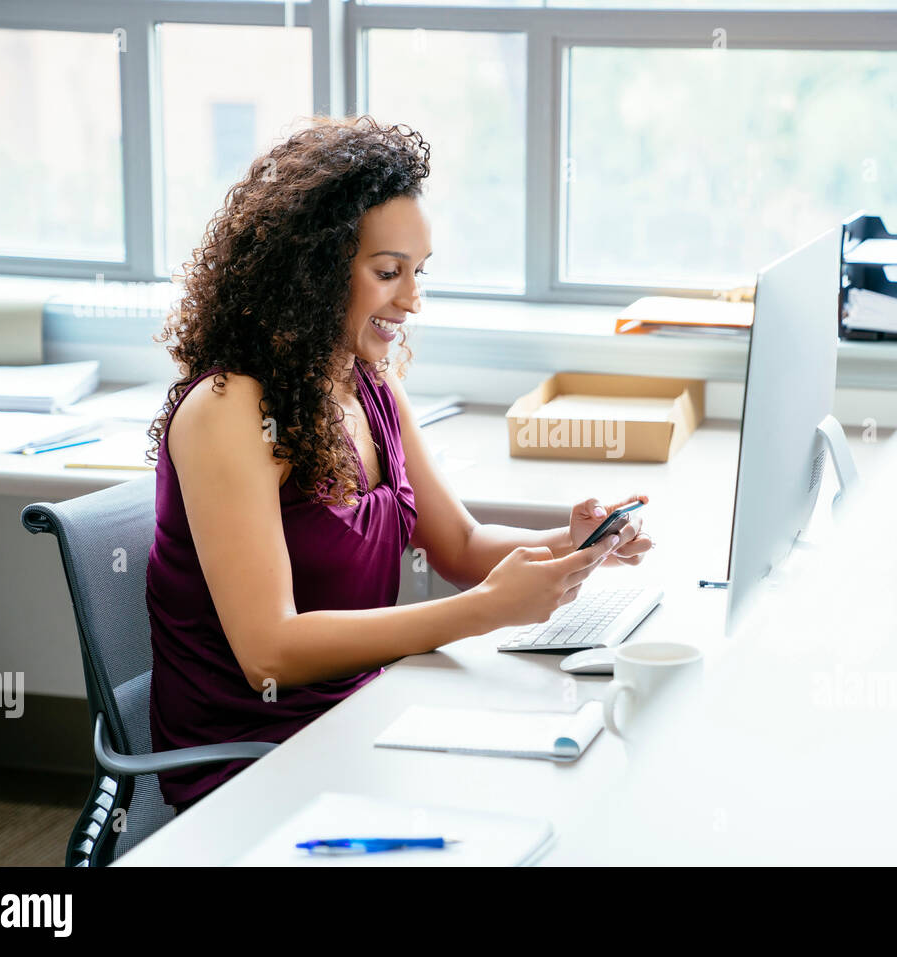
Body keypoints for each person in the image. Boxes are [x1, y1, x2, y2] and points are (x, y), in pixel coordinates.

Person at [144, 115, 652, 812]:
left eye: (419, 273)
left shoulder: (369, 386)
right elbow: (269, 650)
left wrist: (575, 545)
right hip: (257, 759)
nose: (412, 299)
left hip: (363, 717)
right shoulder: (228, 410)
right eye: (388, 272)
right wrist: (481, 612)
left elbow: (463, 544)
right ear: (313, 269)